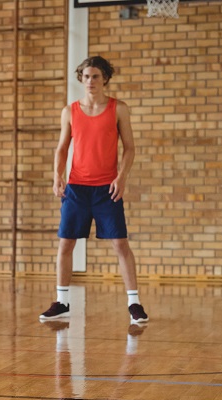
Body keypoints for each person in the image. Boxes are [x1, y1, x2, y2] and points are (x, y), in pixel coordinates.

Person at [40, 56, 148, 325]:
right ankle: (62, 301)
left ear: (105, 79)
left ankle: (134, 303)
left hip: (106, 189)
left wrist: (122, 177)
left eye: (96, 77)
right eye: (86, 77)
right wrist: (57, 176)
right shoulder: (70, 111)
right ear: (81, 79)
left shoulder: (118, 109)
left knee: (120, 244)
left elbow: (130, 147)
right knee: (66, 244)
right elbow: (62, 148)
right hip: (76, 188)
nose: (90, 81)